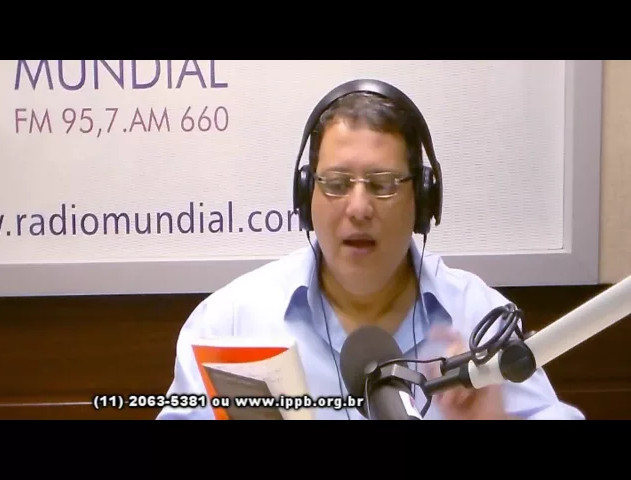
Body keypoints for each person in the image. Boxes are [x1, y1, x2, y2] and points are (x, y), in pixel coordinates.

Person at [156, 79, 584, 420]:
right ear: (306, 196)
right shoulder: (231, 322)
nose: (358, 208)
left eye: (383, 185)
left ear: (422, 201)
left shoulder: (478, 319)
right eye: (336, 184)